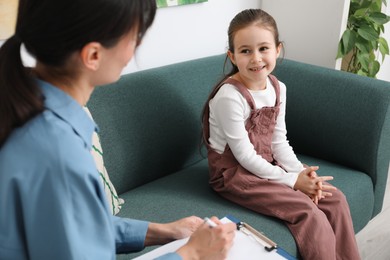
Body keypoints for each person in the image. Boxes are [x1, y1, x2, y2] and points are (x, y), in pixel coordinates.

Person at [0, 0, 236, 259]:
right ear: (93, 55)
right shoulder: (58, 153)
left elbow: (76, 227)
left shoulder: (25, 105)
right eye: (135, 36)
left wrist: (162, 231)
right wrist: (193, 254)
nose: (138, 46)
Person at [202, 9, 360, 260]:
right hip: (235, 174)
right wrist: (293, 182)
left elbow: (278, 141)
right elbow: (244, 157)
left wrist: (300, 173)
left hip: (267, 163)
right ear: (232, 56)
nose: (256, 58)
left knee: (335, 198)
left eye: (263, 48)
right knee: (310, 213)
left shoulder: (278, 88)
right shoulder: (229, 97)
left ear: (278, 49)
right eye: (245, 51)